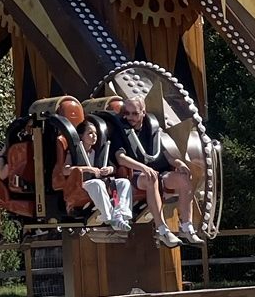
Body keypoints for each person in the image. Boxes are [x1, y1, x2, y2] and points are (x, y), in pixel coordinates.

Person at [115, 97, 201, 248]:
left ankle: (186, 226)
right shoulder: (121, 130)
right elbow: (120, 158)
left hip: (157, 172)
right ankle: (162, 229)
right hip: (134, 175)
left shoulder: (153, 128)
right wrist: (143, 168)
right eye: (127, 113)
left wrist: (178, 163)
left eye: (134, 113)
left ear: (143, 112)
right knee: (151, 178)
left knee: (183, 179)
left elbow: (165, 154)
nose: (130, 117)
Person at [70, 118, 133, 232]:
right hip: (82, 183)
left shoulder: (97, 152)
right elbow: (65, 170)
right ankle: (110, 218)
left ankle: (120, 214)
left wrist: (109, 169)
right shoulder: (74, 152)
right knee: (97, 183)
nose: (94, 136)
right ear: (81, 135)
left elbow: (113, 168)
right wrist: (87, 169)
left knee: (124, 182)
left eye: (95, 133)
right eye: (90, 133)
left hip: (101, 182)